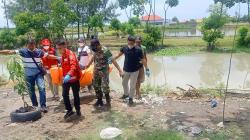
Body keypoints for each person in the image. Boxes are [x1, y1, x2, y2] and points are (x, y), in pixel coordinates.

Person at [0, 39, 57, 113]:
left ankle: (43, 106)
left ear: (35, 45)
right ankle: (35, 106)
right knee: (31, 91)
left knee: (41, 88)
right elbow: (10, 52)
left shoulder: (39, 51)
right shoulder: (23, 51)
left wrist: (58, 58)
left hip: (38, 73)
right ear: (27, 45)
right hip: (28, 75)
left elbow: (49, 56)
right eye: (30, 45)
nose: (31, 46)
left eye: (33, 44)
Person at [86, 38, 123, 108]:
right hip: (96, 70)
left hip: (104, 71)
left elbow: (113, 61)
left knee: (105, 86)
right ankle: (99, 100)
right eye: (92, 47)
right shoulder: (95, 50)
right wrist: (88, 65)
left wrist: (120, 70)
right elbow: (93, 57)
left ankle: (108, 101)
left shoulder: (106, 51)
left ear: (98, 45)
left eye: (94, 46)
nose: (93, 48)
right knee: (96, 86)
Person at [114, 36, 145, 106]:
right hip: (126, 69)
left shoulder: (139, 49)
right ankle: (126, 94)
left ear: (134, 42)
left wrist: (146, 67)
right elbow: (119, 54)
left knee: (132, 85)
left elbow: (143, 59)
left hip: (135, 71)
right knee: (124, 83)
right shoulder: (124, 48)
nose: (130, 44)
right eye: (129, 42)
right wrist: (113, 58)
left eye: (132, 43)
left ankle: (131, 98)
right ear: (127, 41)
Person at [55, 38, 82, 119]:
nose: (58, 50)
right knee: (64, 95)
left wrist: (69, 75)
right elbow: (65, 65)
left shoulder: (70, 54)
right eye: (57, 48)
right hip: (66, 79)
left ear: (64, 46)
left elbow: (73, 66)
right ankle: (69, 110)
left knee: (76, 95)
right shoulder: (63, 55)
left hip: (74, 79)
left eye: (60, 48)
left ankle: (78, 110)